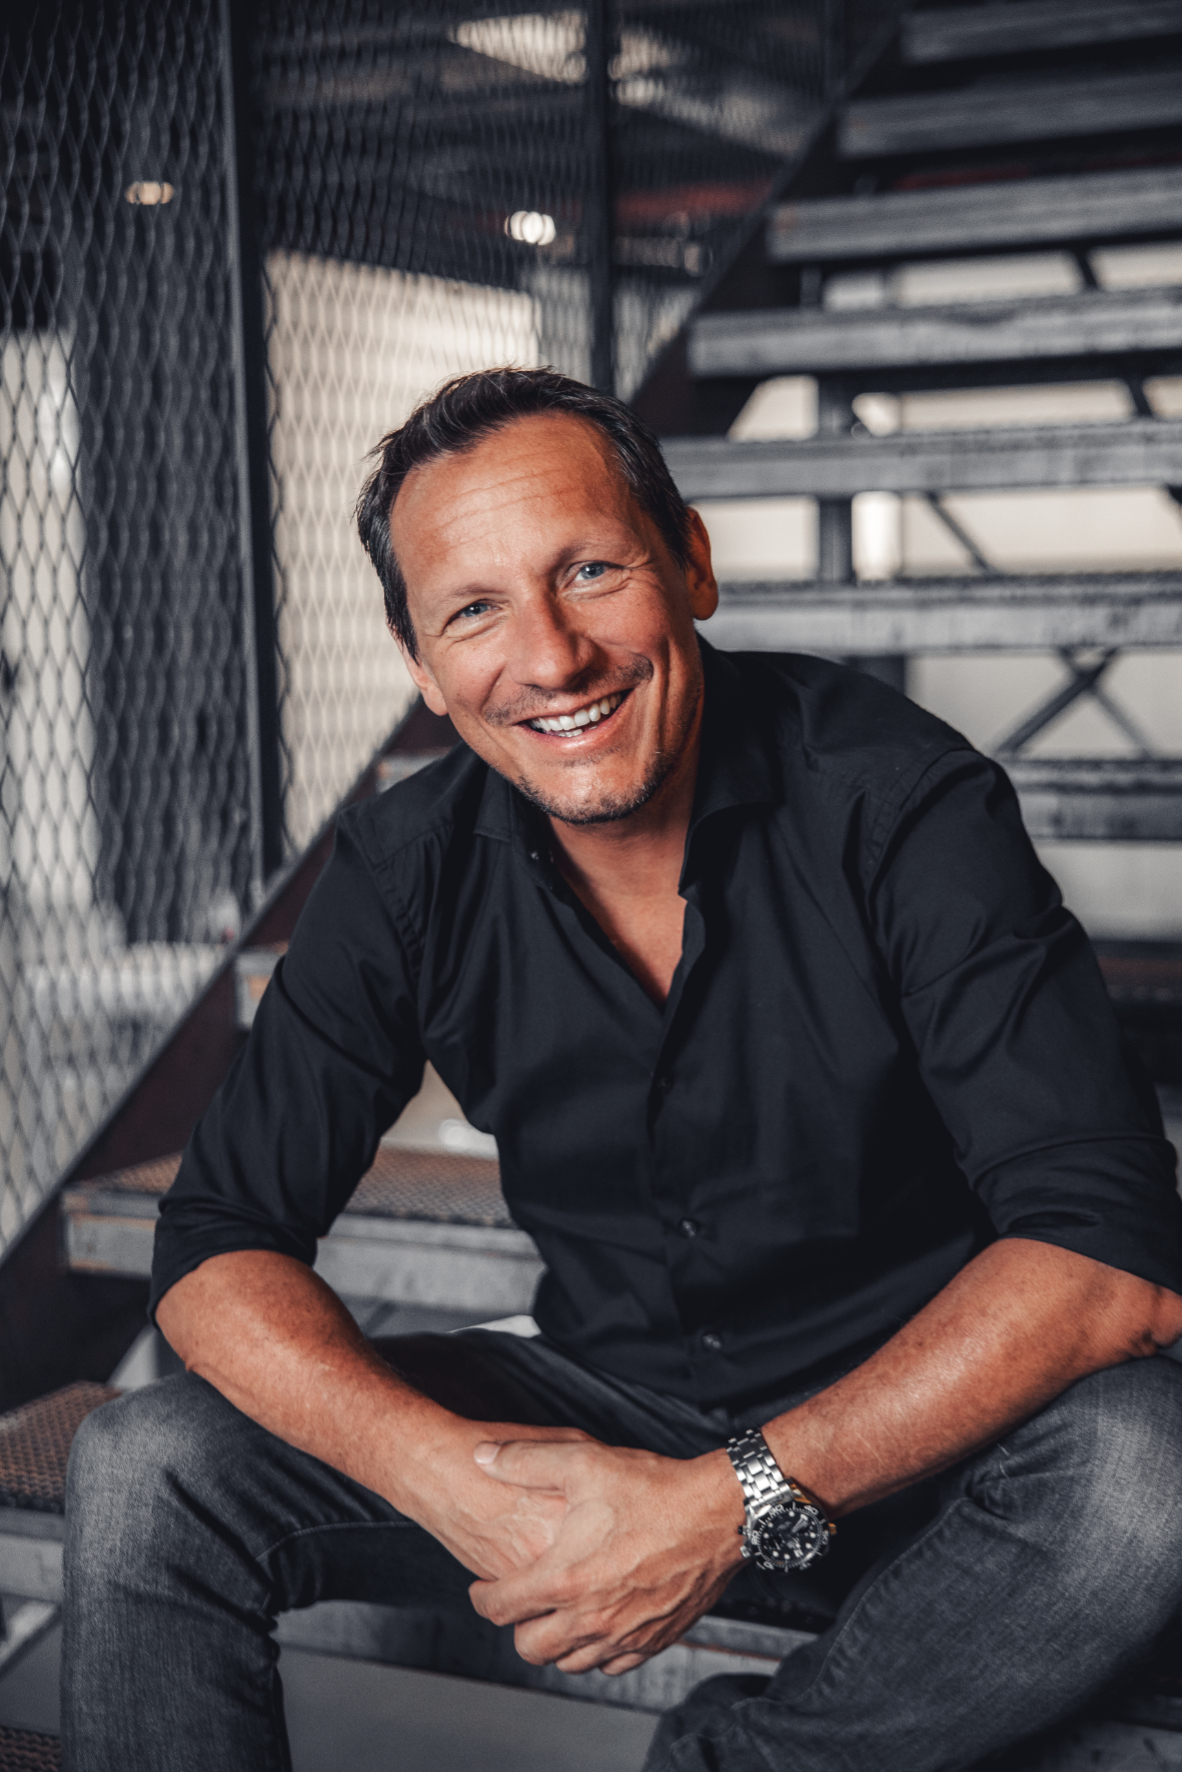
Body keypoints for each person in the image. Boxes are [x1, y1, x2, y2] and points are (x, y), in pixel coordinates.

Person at [62, 368, 1182, 1772]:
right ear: (421, 665)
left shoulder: (898, 803)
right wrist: (442, 1476)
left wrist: (724, 1507)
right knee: (146, 1463)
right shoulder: (406, 867)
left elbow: (1105, 1256)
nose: (550, 658)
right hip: (612, 1405)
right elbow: (217, 1242)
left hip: (926, 1436)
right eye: (473, 611)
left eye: (589, 571)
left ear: (690, 564)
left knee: (1148, 1470)